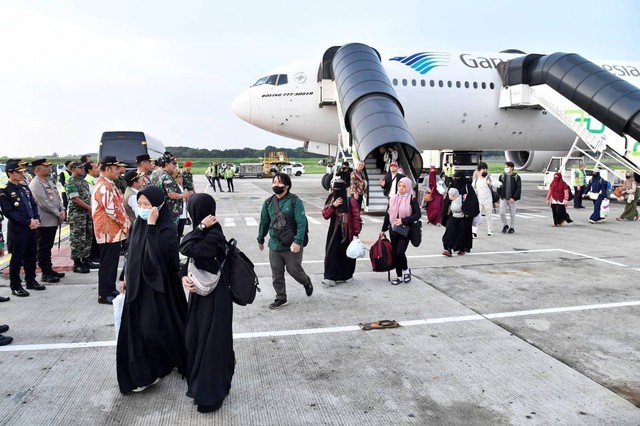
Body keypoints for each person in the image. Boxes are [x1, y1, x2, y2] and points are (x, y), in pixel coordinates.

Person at [117, 185, 187, 394]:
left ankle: (165, 362)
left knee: (156, 327)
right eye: (139, 204)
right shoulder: (137, 225)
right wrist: (123, 276)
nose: (142, 208)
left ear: (158, 205)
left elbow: (156, 258)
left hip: (158, 287)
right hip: (137, 286)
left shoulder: (166, 228)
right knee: (140, 330)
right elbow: (132, 252)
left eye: (147, 204)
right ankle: (147, 372)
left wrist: (152, 226)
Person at [179, 193, 235, 413]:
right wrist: (183, 276)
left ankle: (212, 393)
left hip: (215, 296)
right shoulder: (205, 232)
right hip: (201, 294)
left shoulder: (213, 234)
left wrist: (200, 227)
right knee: (197, 338)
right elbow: (188, 259)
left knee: (213, 343)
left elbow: (185, 248)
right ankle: (210, 384)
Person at [257, 173, 313, 309]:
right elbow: (264, 222)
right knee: (276, 273)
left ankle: (306, 281)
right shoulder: (269, 202)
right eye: (274, 182)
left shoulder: (295, 201)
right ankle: (281, 297)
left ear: (287, 186)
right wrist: (261, 238)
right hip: (275, 245)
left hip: (292, 244)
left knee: (294, 270)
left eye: (280, 183)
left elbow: (301, 223)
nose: (276, 185)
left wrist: (297, 242)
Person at [0, 160, 44, 297]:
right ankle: (16, 285)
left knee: (31, 255)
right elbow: (9, 212)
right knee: (17, 258)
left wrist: (36, 219)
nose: (22, 174)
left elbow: (33, 205)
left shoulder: (24, 188)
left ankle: (31, 280)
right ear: (10, 173)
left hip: (31, 227)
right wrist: (27, 222)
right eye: (18, 172)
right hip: (19, 229)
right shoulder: (4, 191)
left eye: (22, 172)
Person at [93, 156, 131, 304]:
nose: (118, 171)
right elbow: (112, 210)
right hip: (107, 231)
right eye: (116, 169)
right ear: (108, 169)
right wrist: (127, 225)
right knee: (107, 264)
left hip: (113, 232)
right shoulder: (104, 186)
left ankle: (110, 289)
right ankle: (104, 293)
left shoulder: (109, 184)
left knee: (112, 263)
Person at [29, 159, 66, 283]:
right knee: (43, 247)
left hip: (53, 220)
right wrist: (57, 213)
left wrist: (62, 209)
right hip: (44, 221)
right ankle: (45, 272)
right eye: (46, 167)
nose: (49, 169)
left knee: (48, 246)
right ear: (37, 170)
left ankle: (49, 269)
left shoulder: (49, 181)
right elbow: (43, 203)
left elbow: (57, 197)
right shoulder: (36, 184)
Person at [321, 179, 362, 286]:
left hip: (348, 232)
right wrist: (333, 206)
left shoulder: (351, 201)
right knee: (332, 253)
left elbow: (356, 217)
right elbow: (325, 215)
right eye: (335, 189)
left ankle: (346, 275)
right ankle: (330, 277)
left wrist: (356, 233)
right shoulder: (331, 199)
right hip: (334, 232)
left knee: (348, 254)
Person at [381, 177, 420, 284]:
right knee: (395, 253)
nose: (401, 188)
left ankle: (406, 270)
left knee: (399, 252)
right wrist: (383, 229)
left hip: (405, 230)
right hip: (393, 229)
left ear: (408, 187)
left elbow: (418, 214)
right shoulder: (393, 198)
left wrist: (404, 220)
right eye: (399, 186)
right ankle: (399, 276)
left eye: (404, 186)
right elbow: (388, 214)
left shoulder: (412, 199)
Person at [66, 162, 93, 273]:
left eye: (83, 168)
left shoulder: (84, 182)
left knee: (87, 236)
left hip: (86, 213)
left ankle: (86, 259)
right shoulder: (71, 182)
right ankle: (77, 263)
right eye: (80, 168)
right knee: (77, 238)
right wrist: (89, 207)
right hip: (77, 214)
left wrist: (90, 207)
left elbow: (88, 196)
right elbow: (75, 199)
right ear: (73, 169)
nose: (82, 169)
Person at [441, 171, 476, 254]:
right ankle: (448, 249)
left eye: (458, 178)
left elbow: (473, 200)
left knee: (463, 232)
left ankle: (462, 248)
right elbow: (446, 200)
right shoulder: (452, 186)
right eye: (455, 178)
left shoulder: (467, 187)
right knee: (450, 230)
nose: (456, 180)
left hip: (464, 215)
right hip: (452, 214)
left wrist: (466, 199)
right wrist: (449, 199)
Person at [157, 153, 191, 226]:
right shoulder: (166, 177)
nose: (175, 165)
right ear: (167, 164)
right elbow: (171, 194)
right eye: (173, 163)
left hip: (171, 210)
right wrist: (183, 195)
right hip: (170, 210)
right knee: (171, 232)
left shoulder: (167, 175)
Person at [497, 161, 521, 234]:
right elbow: (499, 186)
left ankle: (512, 227)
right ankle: (505, 225)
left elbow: (518, 188)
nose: (506, 168)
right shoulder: (502, 176)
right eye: (505, 167)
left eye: (507, 167)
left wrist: (514, 198)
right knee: (501, 212)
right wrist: (499, 196)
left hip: (512, 198)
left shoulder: (516, 177)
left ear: (512, 168)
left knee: (512, 214)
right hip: (503, 197)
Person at [472, 164, 496, 236]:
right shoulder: (476, 179)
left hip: (488, 201)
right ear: (478, 171)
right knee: (476, 216)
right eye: (483, 169)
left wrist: (491, 183)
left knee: (489, 216)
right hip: (479, 200)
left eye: (486, 169)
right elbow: (472, 188)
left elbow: (498, 184)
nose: (485, 170)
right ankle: (474, 232)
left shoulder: (488, 177)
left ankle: (490, 231)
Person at [441, 188, 465, 256]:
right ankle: (448, 249)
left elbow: (457, 209)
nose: (449, 196)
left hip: (459, 219)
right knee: (449, 233)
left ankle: (459, 249)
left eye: (450, 195)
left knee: (456, 235)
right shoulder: (452, 200)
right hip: (452, 218)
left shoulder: (459, 200)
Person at [174, 171, 188, 240]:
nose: (181, 178)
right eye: (179, 177)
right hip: (178, 213)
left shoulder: (179, 185)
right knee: (176, 234)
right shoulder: (174, 186)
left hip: (183, 212)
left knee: (180, 233)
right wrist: (184, 197)